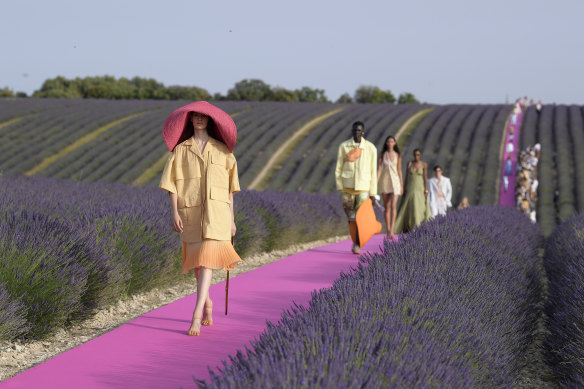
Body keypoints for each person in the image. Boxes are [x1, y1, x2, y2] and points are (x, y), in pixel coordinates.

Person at [159, 101, 242, 336]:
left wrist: (232, 220)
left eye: (203, 116)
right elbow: (171, 185)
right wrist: (174, 212)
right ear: (190, 119)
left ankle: (195, 316)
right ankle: (207, 304)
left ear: (210, 121)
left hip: (217, 216)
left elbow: (229, 191)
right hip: (190, 214)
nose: (199, 119)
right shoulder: (180, 150)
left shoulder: (224, 152)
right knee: (197, 266)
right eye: (195, 116)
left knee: (206, 262)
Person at [335, 121, 377, 254]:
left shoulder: (371, 148)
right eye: (354, 130)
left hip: (363, 188)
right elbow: (338, 168)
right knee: (351, 218)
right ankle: (355, 240)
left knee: (361, 218)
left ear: (363, 132)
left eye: (359, 131)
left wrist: (373, 193)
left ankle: (357, 243)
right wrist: (340, 187)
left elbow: (373, 171)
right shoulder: (344, 146)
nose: (356, 133)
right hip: (347, 188)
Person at [394, 149, 432, 233]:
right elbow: (406, 177)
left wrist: (426, 190)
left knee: (419, 206)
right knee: (408, 206)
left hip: (420, 188)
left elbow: (425, 178)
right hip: (411, 188)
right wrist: (404, 188)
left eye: (418, 155)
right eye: (415, 154)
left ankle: (418, 226)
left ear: (420, 155)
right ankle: (407, 226)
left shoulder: (423, 165)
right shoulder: (410, 164)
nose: (416, 156)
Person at [377, 135, 403, 239]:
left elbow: (399, 170)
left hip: (395, 182)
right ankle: (387, 229)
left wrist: (401, 185)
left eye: (392, 141)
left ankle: (392, 229)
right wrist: (375, 182)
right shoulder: (382, 154)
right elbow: (379, 169)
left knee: (393, 206)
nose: (390, 143)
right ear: (386, 143)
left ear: (395, 143)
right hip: (385, 181)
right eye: (388, 141)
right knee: (386, 207)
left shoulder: (397, 155)